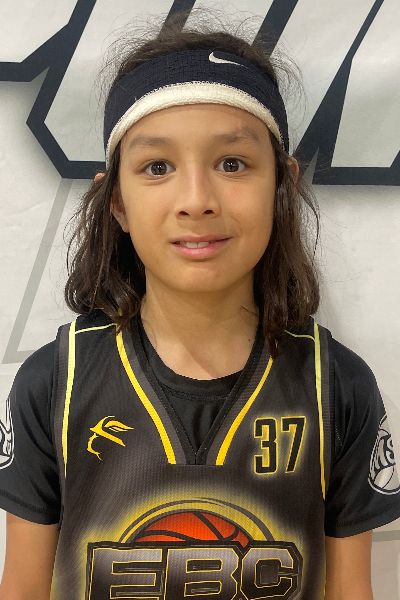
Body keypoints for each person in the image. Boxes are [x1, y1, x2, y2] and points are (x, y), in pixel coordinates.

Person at [0, 11, 399, 600]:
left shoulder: (336, 385)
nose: (196, 200)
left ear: (282, 185)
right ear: (116, 202)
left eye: (232, 164)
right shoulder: (54, 384)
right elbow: (22, 587)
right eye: (157, 167)